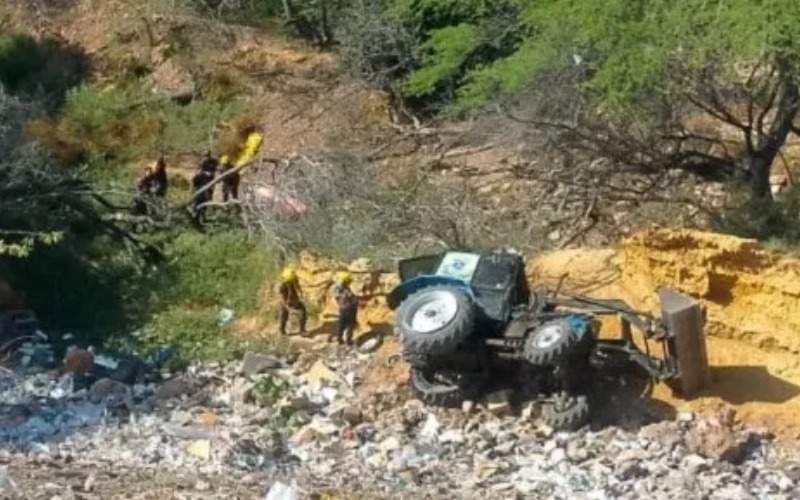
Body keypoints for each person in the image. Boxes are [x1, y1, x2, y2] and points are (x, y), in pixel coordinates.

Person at [331, 271, 358, 345]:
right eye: (349, 281)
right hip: (349, 309)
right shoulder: (345, 289)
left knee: (341, 325)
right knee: (350, 325)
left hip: (342, 309)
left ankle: (339, 339)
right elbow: (352, 298)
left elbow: (336, 297)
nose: (350, 282)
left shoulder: (335, 288)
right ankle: (348, 341)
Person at [278, 267, 307, 336]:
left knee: (303, 313)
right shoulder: (283, 286)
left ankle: (302, 330)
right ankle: (282, 331)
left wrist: (301, 294)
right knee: (283, 316)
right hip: (286, 302)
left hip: (295, 300)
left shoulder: (294, 280)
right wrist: (287, 307)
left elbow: (298, 287)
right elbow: (282, 298)